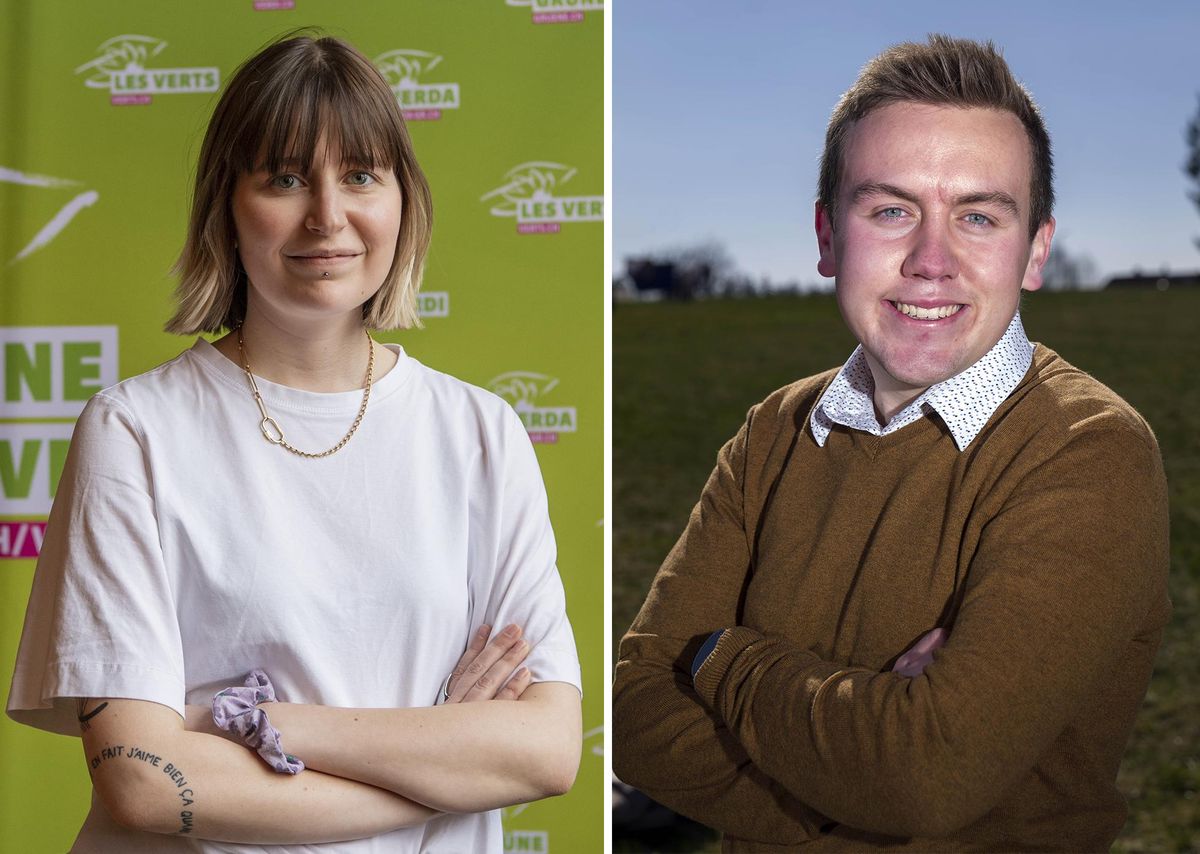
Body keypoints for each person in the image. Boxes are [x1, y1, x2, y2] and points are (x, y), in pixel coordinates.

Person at [7, 34, 582, 852]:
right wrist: (444, 754)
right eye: (283, 177)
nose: (328, 215)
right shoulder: (135, 432)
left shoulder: (481, 433)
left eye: (359, 175)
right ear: (226, 205)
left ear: (402, 201)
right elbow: (142, 782)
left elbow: (547, 750)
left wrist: (266, 724)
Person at [613, 34, 1169, 852]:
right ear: (828, 237)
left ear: (1036, 250)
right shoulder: (774, 431)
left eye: (978, 216)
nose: (931, 261)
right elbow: (635, 710)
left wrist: (723, 659)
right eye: (890, 210)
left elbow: (927, 774)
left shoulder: (1090, 450)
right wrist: (864, 775)